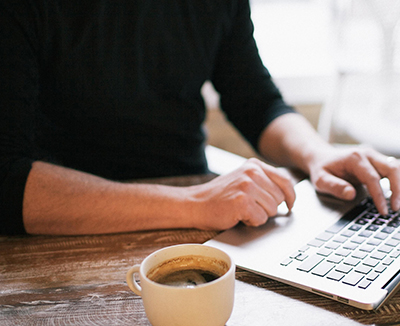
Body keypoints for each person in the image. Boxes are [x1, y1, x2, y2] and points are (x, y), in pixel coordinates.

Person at [1, 0, 399, 236]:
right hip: (67, 225)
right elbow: (7, 182)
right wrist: (194, 203)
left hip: (192, 214)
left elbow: (256, 100)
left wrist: (317, 154)